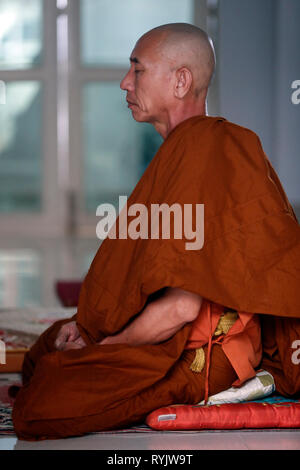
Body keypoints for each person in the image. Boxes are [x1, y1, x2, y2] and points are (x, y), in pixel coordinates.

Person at [12, 23, 300, 441]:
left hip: (199, 354)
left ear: (181, 81)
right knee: (46, 353)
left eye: (138, 69)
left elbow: (182, 308)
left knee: (40, 406)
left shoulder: (202, 147)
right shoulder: (187, 150)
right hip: (171, 334)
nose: (125, 82)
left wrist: (101, 348)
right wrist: (91, 327)